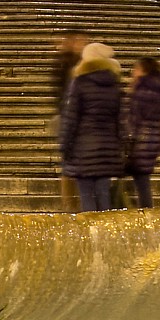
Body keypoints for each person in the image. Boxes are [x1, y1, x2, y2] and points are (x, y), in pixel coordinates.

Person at [61, 40, 125, 213]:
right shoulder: (114, 84)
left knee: (87, 196)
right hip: (108, 150)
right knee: (103, 194)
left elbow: (71, 117)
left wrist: (65, 146)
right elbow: (119, 120)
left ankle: (92, 237)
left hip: (85, 149)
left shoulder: (80, 82)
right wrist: (120, 147)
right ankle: (105, 235)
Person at [49, 29, 87, 209]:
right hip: (68, 116)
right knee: (69, 163)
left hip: (79, 120)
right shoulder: (64, 63)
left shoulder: (84, 63)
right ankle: (70, 204)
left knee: (76, 163)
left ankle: (77, 203)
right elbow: (60, 92)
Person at [124, 55, 160, 207]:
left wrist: (127, 137)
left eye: (136, 69)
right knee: (142, 180)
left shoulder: (141, 91)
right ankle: (146, 211)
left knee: (141, 181)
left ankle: (146, 214)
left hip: (141, 141)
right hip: (153, 139)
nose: (133, 72)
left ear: (144, 70)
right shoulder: (158, 90)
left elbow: (134, 119)